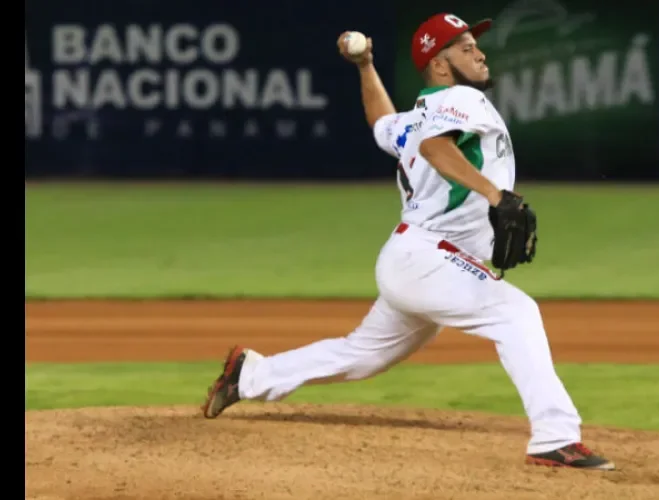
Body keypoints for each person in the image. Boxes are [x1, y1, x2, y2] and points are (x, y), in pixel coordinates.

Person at [201, 12, 615, 471]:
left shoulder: (419, 115)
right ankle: (555, 437)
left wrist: (364, 68)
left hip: (417, 259)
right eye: (463, 47)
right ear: (440, 66)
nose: (478, 51)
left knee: (361, 355)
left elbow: (381, 121)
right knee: (516, 313)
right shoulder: (460, 99)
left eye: (474, 43)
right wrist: (496, 195)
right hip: (430, 260)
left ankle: (251, 375)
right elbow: (438, 149)